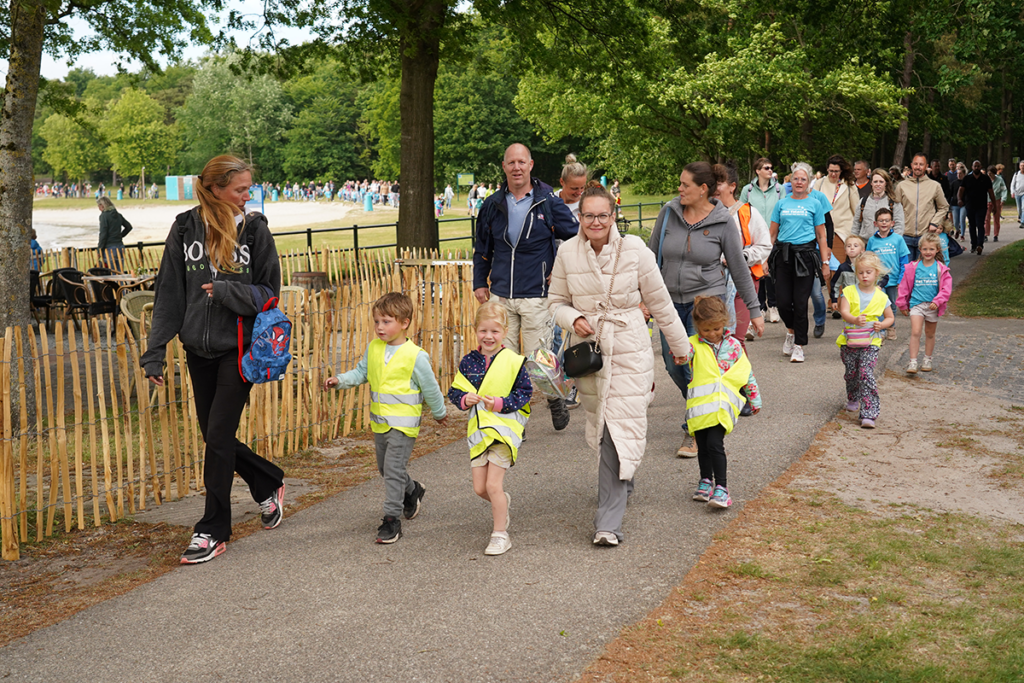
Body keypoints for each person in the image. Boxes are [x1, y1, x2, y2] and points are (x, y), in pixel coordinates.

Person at [142, 155, 286, 564]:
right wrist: (154, 353)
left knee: (218, 438)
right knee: (215, 437)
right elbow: (169, 294)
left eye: (248, 188)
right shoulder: (185, 227)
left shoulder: (254, 229)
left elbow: (269, 293)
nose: (247, 196)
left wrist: (226, 292)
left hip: (238, 351)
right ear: (215, 188)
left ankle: (212, 529)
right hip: (197, 350)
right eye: (240, 189)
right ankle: (268, 481)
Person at [549, 184, 692, 545]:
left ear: (613, 215)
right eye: (588, 215)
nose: (595, 222)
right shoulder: (567, 252)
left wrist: (680, 347)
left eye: (602, 215)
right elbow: (555, 302)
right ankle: (624, 480)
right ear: (579, 217)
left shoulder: (635, 250)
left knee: (616, 429)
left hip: (629, 347)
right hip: (591, 354)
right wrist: (573, 318)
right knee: (604, 426)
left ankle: (607, 523)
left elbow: (660, 303)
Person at [648, 162, 764, 456]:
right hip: (669, 303)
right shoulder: (669, 212)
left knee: (696, 367)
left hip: (706, 304)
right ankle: (709, 404)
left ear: (703, 190)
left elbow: (738, 268)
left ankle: (696, 428)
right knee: (674, 365)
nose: (679, 189)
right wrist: (643, 298)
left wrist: (754, 309)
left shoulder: (724, 221)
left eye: (685, 184)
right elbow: (650, 258)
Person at [324, 292, 447, 544]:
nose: (380, 327)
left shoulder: (416, 356)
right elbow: (361, 373)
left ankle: (392, 520)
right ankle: (412, 490)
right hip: (380, 423)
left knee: (392, 469)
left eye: (387, 321)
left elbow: (430, 388)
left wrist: (439, 412)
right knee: (385, 468)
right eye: (377, 321)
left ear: (404, 322)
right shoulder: (374, 348)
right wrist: (340, 380)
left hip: (403, 427)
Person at [473, 143, 578, 431]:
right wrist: (480, 282)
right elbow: (482, 248)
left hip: (536, 294)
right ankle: (510, 420)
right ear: (504, 166)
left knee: (538, 361)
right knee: (501, 361)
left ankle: (554, 399)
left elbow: (575, 239)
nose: (516, 167)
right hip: (501, 295)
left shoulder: (548, 202)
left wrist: (561, 270)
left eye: (522, 162)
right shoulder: (492, 205)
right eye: (511, 163)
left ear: (531, 165)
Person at [448, 302, 532, 556]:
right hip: (478, 433)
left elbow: (524, 394)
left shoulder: (513, 361)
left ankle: (500, 534)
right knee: (480, 489)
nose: (488, 336)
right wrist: (464, 399)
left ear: (504, 332)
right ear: (475, 331)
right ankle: (502, 505)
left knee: (494, 485)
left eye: (494, 331)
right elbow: (455, 391)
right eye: (483, 330)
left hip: (504, 431)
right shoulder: (469, 362)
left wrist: (500, 403)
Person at [687, 295, 760, 509]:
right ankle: (705, 480)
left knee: (714, 444)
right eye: (706, 330)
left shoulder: (734, 346)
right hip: (700, 408)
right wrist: (679, 354)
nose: (712, 334)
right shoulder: (692, 345)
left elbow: (746, 373)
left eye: (716, 329)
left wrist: (754, 399)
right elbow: (681, 355)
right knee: (702, 445)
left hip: (721, 407)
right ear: (698, 327)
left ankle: (722, 488)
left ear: (725, 323)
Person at [768, 162, 830, 364]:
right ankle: (791, 331)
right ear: (790, 180)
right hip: (783, 255)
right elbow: (772, 233)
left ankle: (799, 346)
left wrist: (825, 262)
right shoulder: (782, 203)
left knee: (801, 303)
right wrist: (765, 258)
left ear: (809, 181)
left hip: (805, 256)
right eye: (796, 178)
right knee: (784, 302)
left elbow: (821, 235)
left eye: (803, 179)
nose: (799, 182)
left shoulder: (815, 204)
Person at [713, 162, 771, 350]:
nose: (714, 188)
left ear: (732, 187)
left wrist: (740, 257)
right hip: (712, 283)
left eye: (719, 183)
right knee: (712, 342)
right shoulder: (703, 214)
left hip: (743, 282)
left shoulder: (748, 213)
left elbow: (764, 245)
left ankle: (742, 379)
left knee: (735, 342)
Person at [836, 251, 895, 429]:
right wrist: (854, 319)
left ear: (876, 273)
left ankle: (869, 412)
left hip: (871, 342)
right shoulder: (849, 292)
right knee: (852, 374)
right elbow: (843, 310)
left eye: (868, 272)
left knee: (865, 374)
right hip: (850, 341)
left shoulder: (882, 297)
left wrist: (882, 325)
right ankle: (853, 397)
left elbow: (890, 318)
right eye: (861, 273)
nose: (864, 276)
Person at [897, 232, 952, 375]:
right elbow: (904, 287)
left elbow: (946, 289)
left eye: (931, 249)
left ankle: (927, 359)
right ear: (920, 249)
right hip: (917, 304)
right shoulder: (913, 267)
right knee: (915, 332)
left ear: (937, 250)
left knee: (930, 333)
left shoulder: (941, 269)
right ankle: (913, 361)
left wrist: (937, 301)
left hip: (933, 306)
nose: (928, 252)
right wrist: (902, 304)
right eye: (925, 249)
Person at [739, 158, 785, 323]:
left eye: (771, 167)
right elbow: (742, 212)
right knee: (757, 273)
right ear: (757, 171)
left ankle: (773, 306)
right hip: (754, 239)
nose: (770, 170)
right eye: (766, 167)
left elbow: (783, 212)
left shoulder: (779, 190)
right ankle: (760, 307)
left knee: (771, 273)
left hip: (774, 237)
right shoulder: (748, 190)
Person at [866, 207, 909, 341]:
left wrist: (901, 279)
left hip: (894, 278)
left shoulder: (898, 239)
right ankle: (881, 331)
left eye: (887, 220)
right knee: (879, 304)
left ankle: (891, 326)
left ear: (892, 223)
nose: (884, 223)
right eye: (881, 221)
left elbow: (904, 260)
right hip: (878, 280)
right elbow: (868, 259)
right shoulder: (872, 240)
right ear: (875, 223)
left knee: (891, 305)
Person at [895, 152, 949, 260]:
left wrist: (934, 222)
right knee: (906, 272)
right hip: (905, 236)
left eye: (921, 164)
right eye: (915, 164)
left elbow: (944, 207)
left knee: (923, 273)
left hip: (926, 236)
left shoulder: (935, 186)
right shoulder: (902, 186)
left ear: (926, 166)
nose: (918, 167)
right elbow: (895, 208)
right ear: (911, 165)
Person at [811, 154, 858, 262]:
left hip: (842, 232)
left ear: (841, 171)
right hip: (823, 232)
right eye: (831, 170)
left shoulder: (849, 185)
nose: (833, 174)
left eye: (836, 171)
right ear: (827, 169)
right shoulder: (819, 184)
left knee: (838, 267)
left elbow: (856, 210)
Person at [851, 168, 905, 237]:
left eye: (881, 182)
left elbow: (899, 226)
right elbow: (856, 225)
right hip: (866, 243)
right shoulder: (863, 202)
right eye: (875, 181)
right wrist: (854, 240)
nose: (878, 184)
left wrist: (892, 241)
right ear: (871, 183)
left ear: (886, 183)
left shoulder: (893, 203)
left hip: (885, 244)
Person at [957, 160, 996, 255]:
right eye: (975, 166)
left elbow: (991, 192)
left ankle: (980, 245)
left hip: (982, 206)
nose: (976, 168)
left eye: (978, 166)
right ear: (972, 167)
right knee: (972, 225)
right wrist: (959, 199)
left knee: (980, 224)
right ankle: (973, 245)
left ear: (981, 166)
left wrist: (995, 205)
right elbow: (961, 190)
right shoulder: (967, 178)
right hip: (970, 205)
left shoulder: (985, 178)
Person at [829, 234, 866, 314]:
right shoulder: (843, 268)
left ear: (862, 250)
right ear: (845, 251)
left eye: (855, 246)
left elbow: (881, 276)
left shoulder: (867, 266)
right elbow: (835, 284)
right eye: (849, 246)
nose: (852, 248)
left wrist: (879, 286)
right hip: (848, 299)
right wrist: (834, 300)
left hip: (864, 299)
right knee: (849, 322)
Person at [97, 196, 133, 271]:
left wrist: (99, 250)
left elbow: (103, 234)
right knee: (120, 272)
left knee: (111, 274)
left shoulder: (104, 216)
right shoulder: (118, 215)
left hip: (109, 247)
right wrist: (120, 236)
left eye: (98, 206)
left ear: (102, 206)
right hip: (120, 246)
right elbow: (128, 227)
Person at [986, 165, 1007, 243]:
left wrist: (1003, 199)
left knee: (996, 218)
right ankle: (986, 234)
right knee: (987, 218)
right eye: (988, 173)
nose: (989, 175)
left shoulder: (999, 180)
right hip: (987, 200)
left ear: (994, 173)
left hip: (997, 200)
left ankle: (995, 235)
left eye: (991, 173)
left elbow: (1004, 190)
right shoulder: (986, 180)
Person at [949, 163, 967, 239]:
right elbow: (950, 193)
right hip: (955, 204)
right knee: (956, 221)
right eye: (958, 174)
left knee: (962, 219)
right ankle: (957, 230)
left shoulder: (966, 183)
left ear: (964, 174)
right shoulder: (954, 183)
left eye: (960, 173)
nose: (959, 175)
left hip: (964, 204)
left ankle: (962, 235)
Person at [1012, 160, 1024, 229]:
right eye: (1021, 166)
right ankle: (1020, 216)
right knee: (1019, 209)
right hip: (1017, 194)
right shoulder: (1016, 174)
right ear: (1019, 166)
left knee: (1023, 208)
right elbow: (1012, 184)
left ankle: (1023, 222)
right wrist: (1012, 192)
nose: (1022, 167)